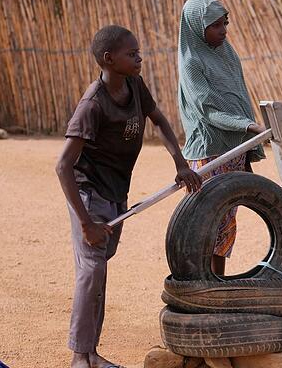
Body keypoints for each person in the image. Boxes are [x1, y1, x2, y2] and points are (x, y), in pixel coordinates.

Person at [55, 25, 201, 368]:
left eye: (138, 52)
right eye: (131, 53)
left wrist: (180, 163)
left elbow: (160, 121)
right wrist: (86, 221)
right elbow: (63, 166)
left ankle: (90, 354)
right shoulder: (93, 104)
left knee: (100, 270)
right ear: (109, 59)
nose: (139, 57)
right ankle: (81, 356)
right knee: (91, 271)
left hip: (116, 192)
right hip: (89, 195)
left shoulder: (134, 85)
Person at [176, 0, 266, 276]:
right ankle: (198, 284)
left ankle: (218, 282)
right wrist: (250, 127)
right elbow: (208, 112)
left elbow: (239, 97)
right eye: (215, 25)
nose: (223, 31)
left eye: (225, 23)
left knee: (226, 221)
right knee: (205, 220)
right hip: (210, 153)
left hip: (235, 151)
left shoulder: (228, 53)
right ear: (195, 27)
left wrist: (248, 146)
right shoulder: (192, 63)